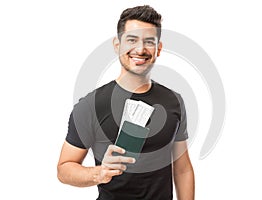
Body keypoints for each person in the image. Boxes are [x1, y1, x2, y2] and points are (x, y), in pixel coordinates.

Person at [57, 5, 195, 200]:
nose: (140, 49)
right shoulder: (91, 105)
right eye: (132, 40)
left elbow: (182, 169)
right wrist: (100, 173)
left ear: (159, 49)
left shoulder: (174, 101)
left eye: (149, 41)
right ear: (117, 45)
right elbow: (64, 169)